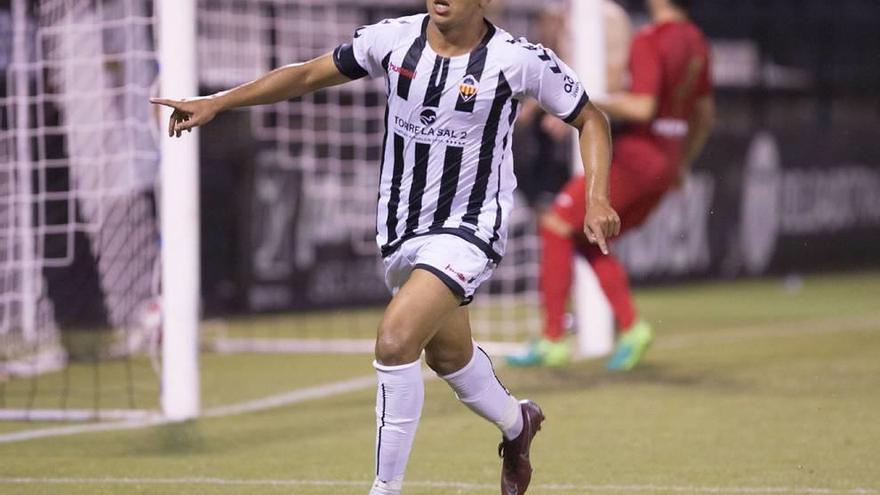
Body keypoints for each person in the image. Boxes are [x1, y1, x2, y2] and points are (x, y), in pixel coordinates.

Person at [152, 1, 619, 494]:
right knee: (449, 359)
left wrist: (597, 197)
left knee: (396, 341)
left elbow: (592, 120)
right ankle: (516, 423)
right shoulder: (393, 40)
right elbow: (309, 74)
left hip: (469, 228)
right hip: (400, 230)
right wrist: (219, 101)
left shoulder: (516, 59)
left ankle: (385, 488)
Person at [507, 0, 715, 370]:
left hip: (637, 156)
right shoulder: (697, 41)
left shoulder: (651, 39)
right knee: (589, 235)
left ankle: (553, 338)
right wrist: (681, 162)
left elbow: (642, 108)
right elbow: (703, 114)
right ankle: (632, 328)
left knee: (555, 225)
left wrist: (581, 106)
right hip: (665, 161)